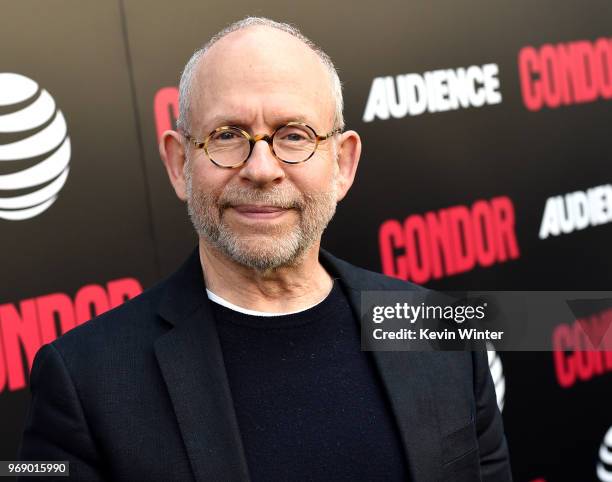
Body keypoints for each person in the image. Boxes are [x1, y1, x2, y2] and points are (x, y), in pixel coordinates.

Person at [18, 17, 512, 482]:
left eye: (294, 135)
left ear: (343, 164)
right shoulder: (85, 381)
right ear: (178, 164)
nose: (261, 168)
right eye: (227, 135)